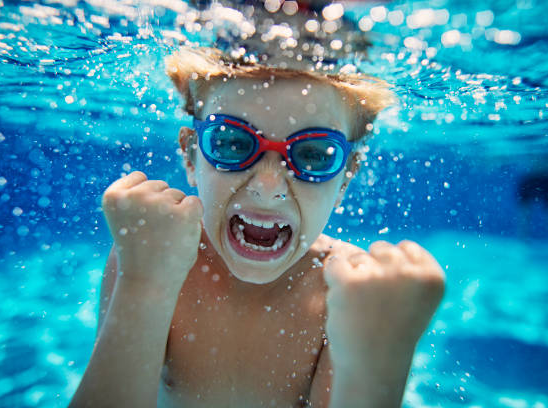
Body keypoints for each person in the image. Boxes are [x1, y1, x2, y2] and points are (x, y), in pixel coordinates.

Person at [69, 46, 445, 407]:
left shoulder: (349, 294)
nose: (268, 188)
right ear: (190, 154)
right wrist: (142, 285)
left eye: (314, 154)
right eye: (233, 143)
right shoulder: (149, 258)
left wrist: (379, 366)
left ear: (344, 180)